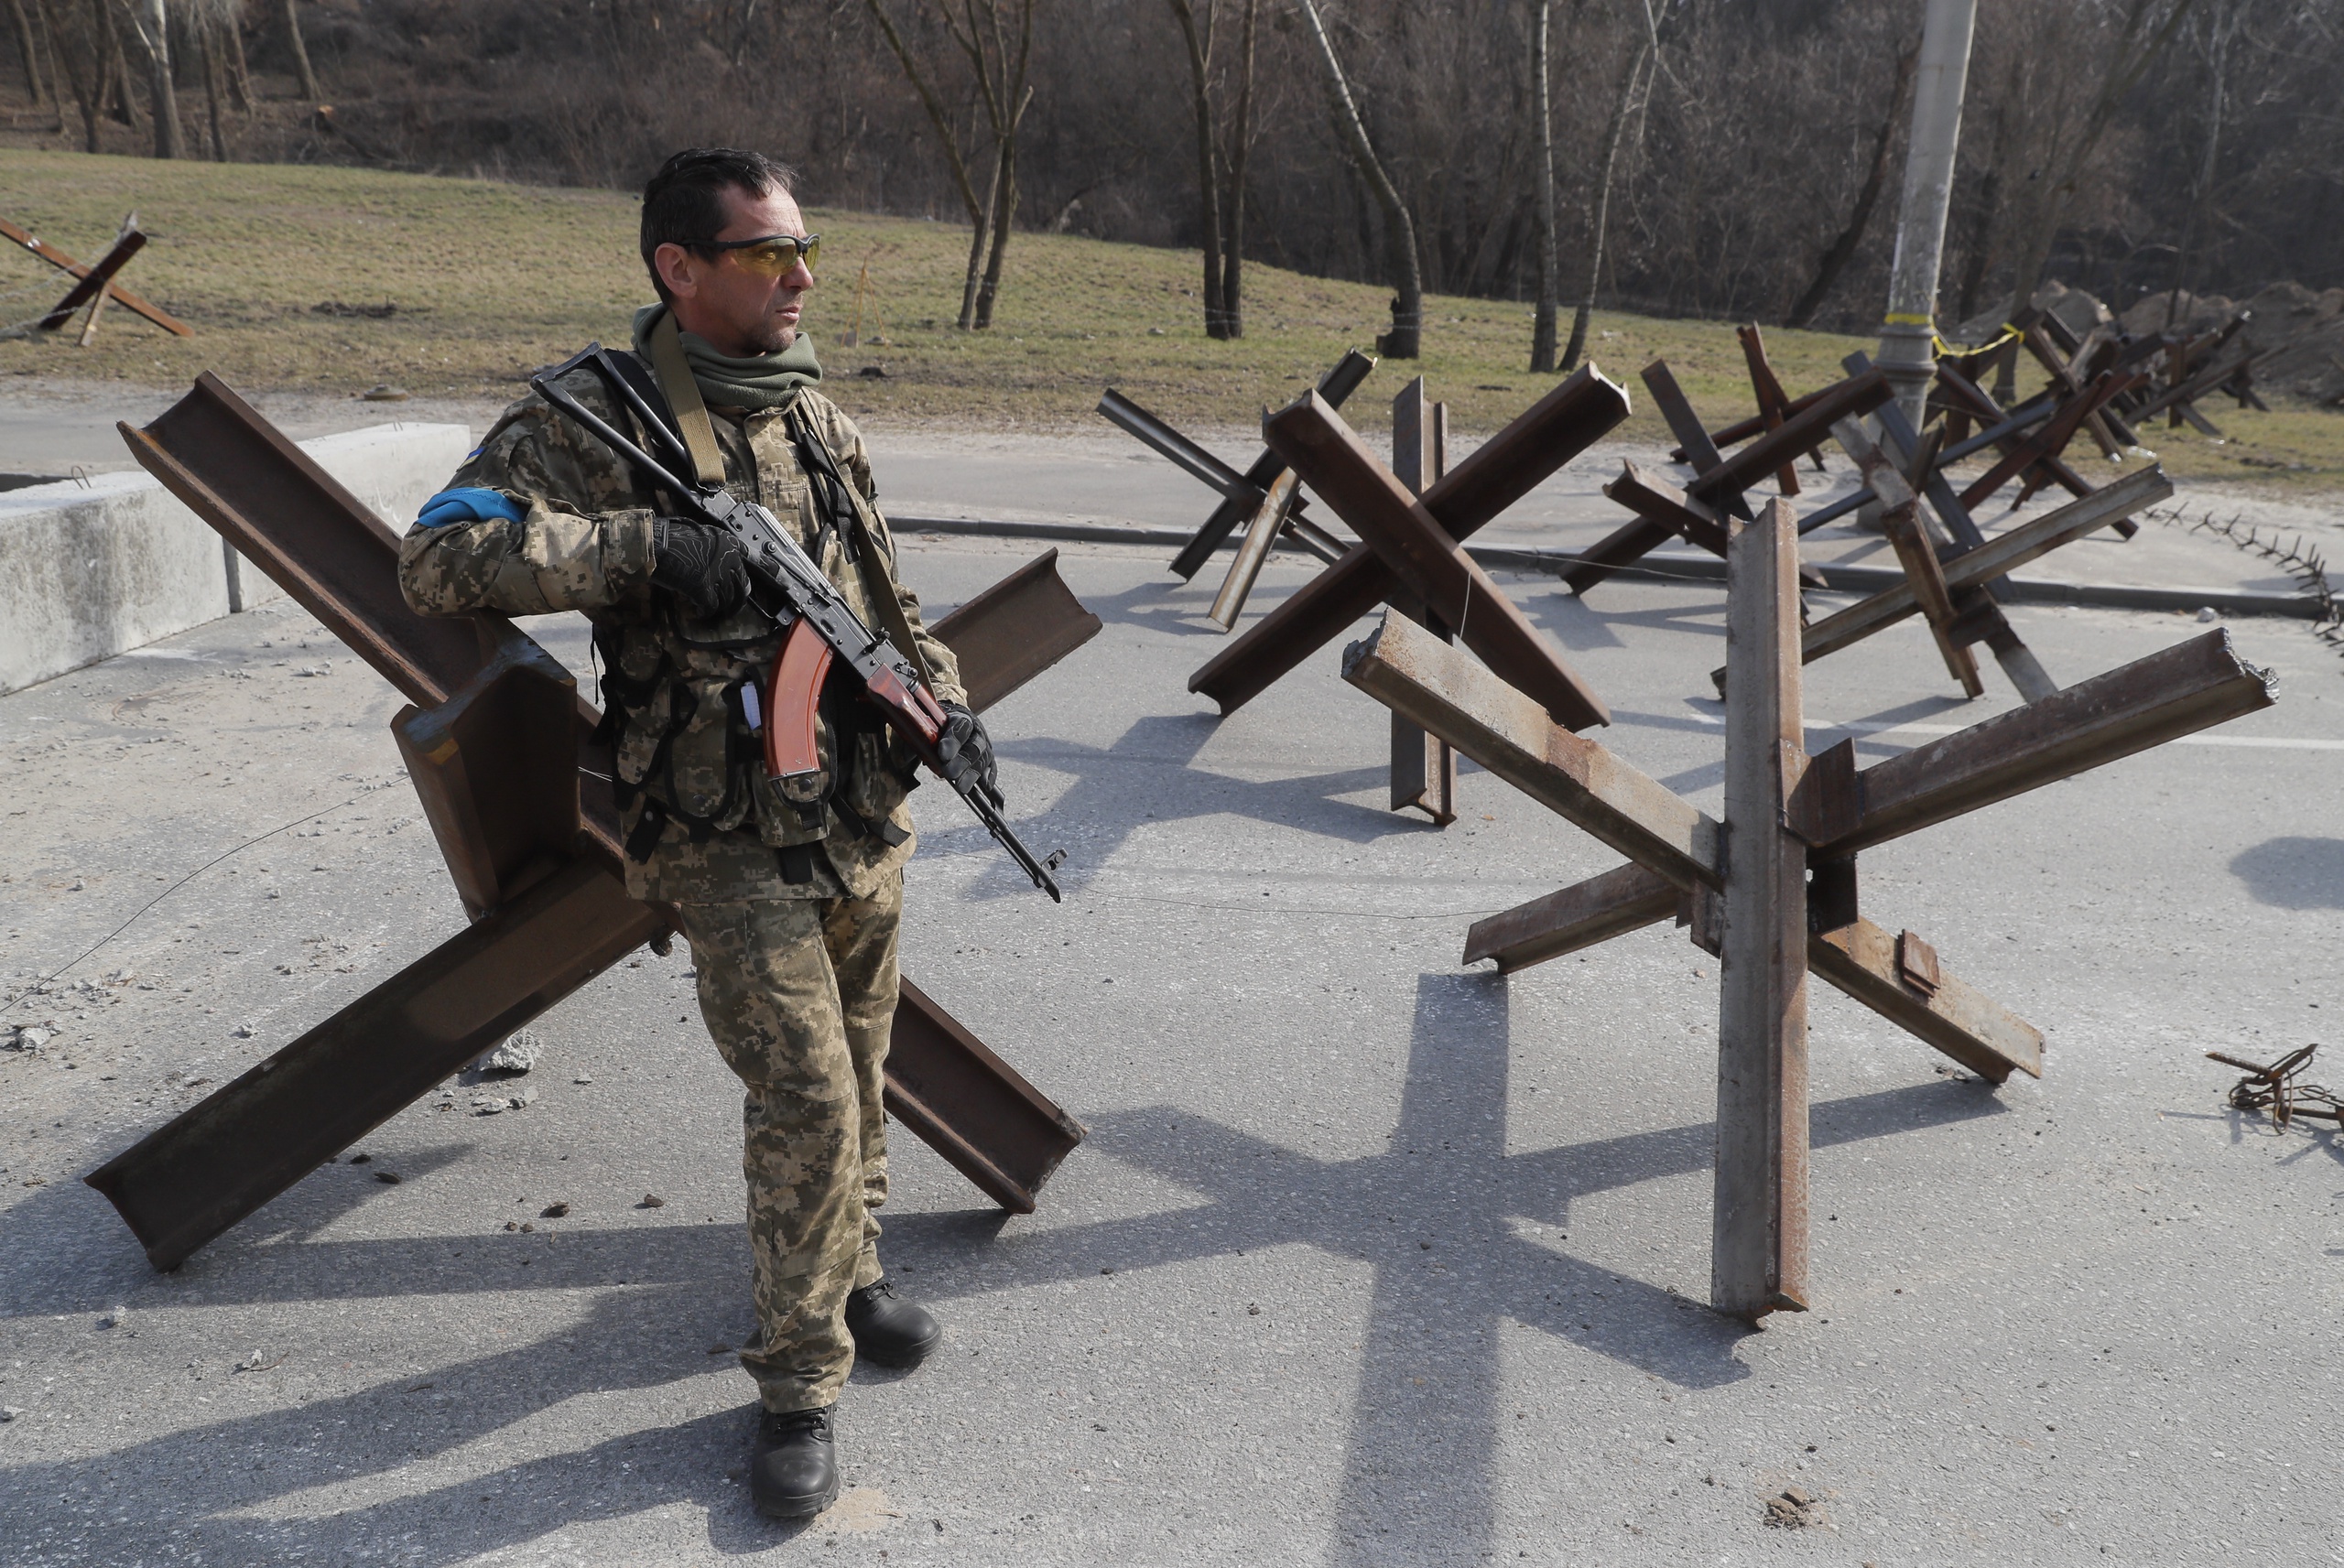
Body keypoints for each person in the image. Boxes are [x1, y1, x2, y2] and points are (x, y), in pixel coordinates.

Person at [397, 146, 997, 1519]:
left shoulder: (812, 414)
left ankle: (852, 1268)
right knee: (806, 1094)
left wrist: (945, 709)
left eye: (806, 252)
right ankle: (799, 1385)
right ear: (679, 267)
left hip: (856, 808)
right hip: (723, 831)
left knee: (864, 1053)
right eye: (766, 254)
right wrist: (644, 553)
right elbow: (436, 556)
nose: (799, 277)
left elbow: (888, 604)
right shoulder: (595, 418)